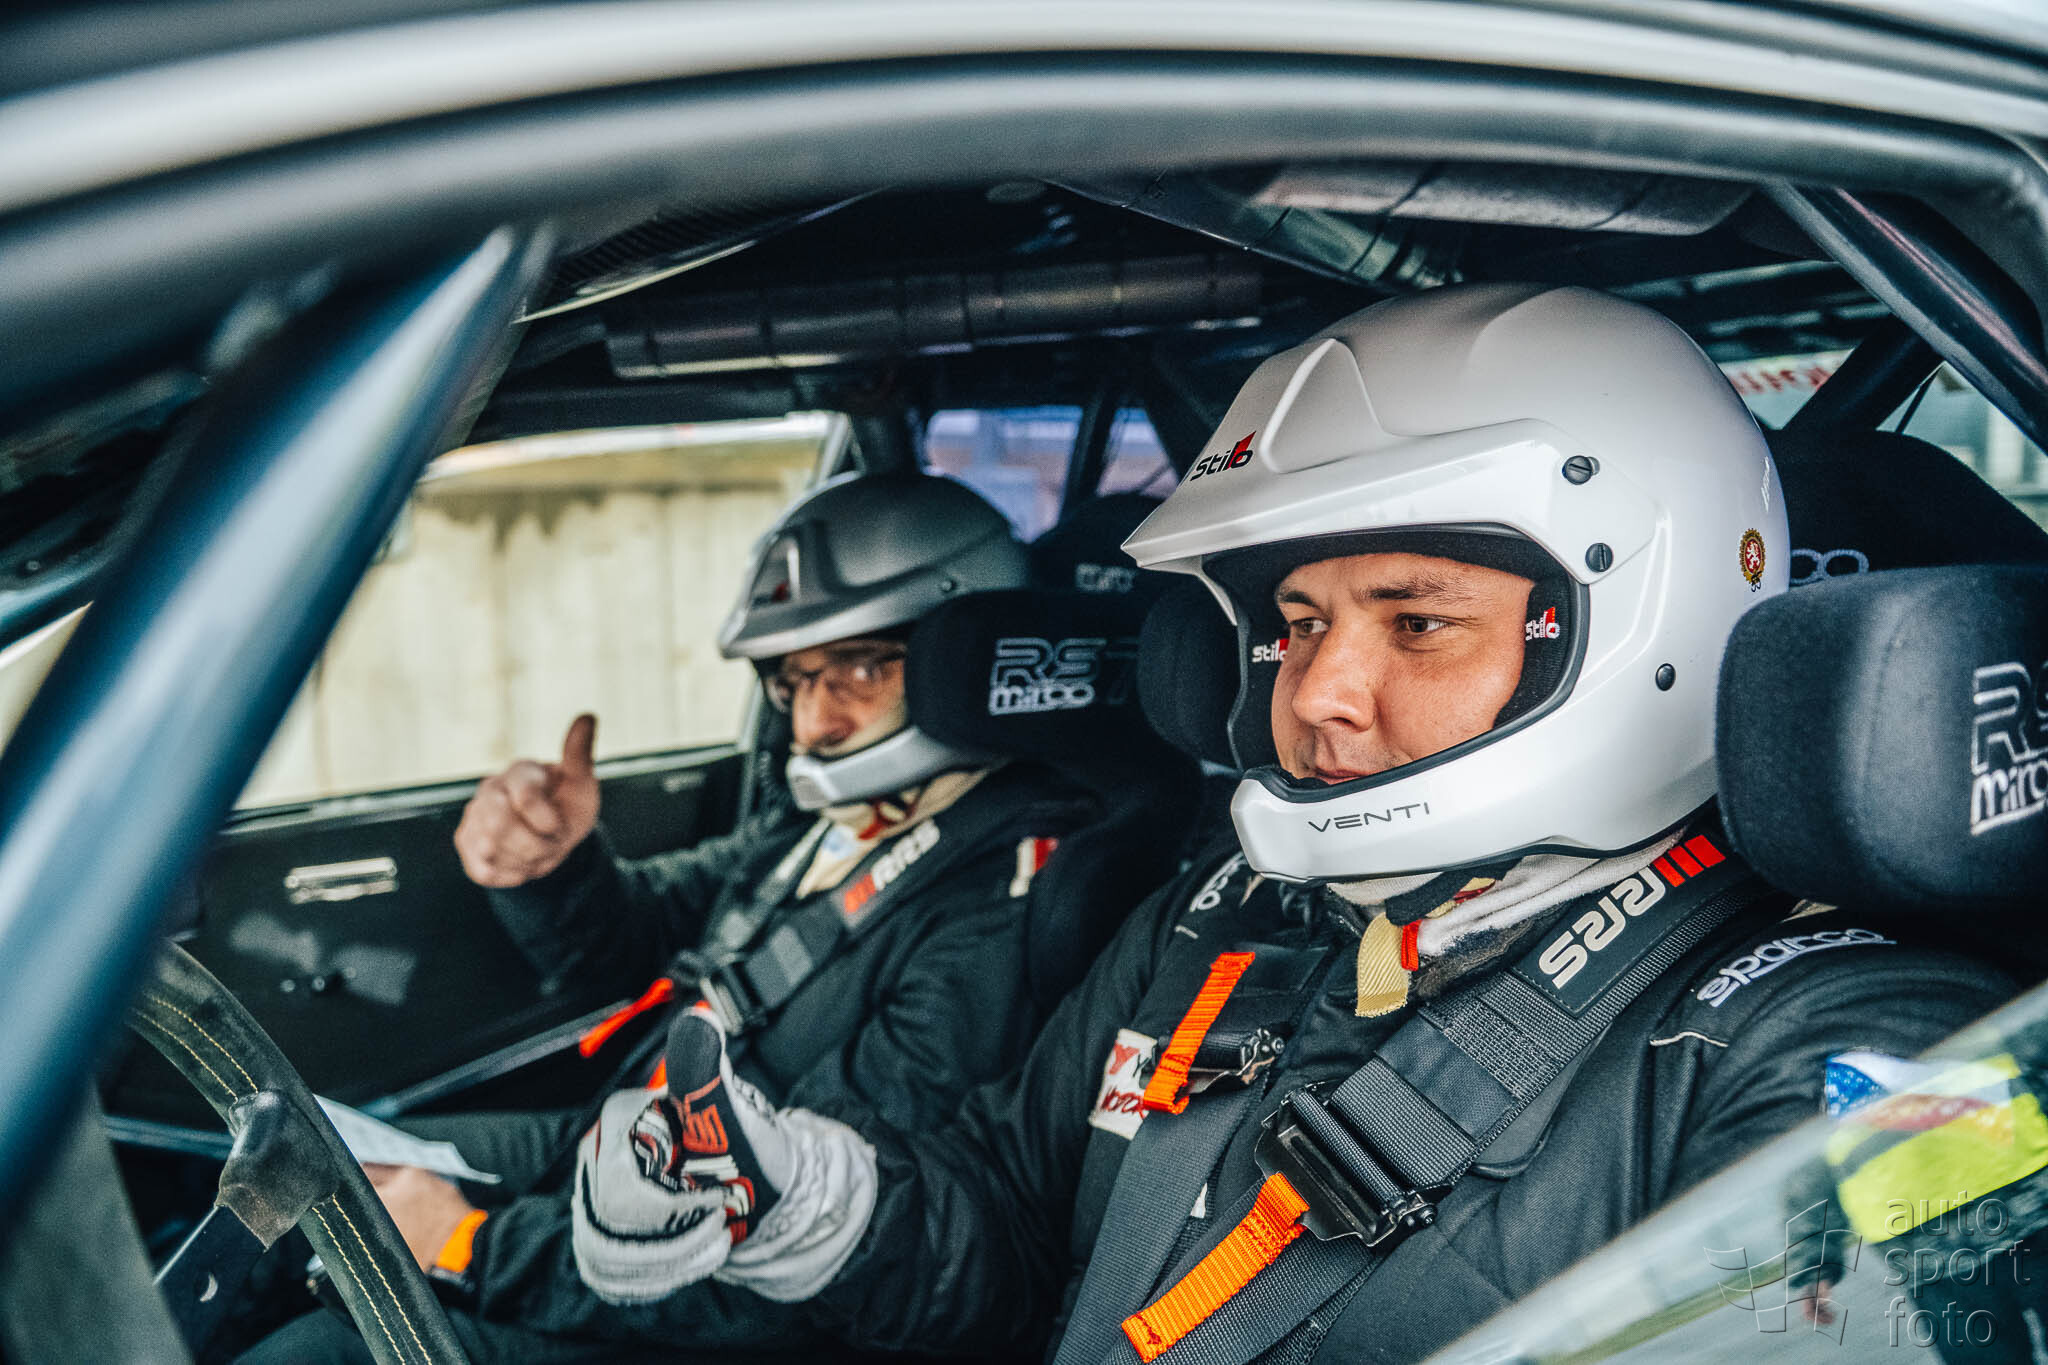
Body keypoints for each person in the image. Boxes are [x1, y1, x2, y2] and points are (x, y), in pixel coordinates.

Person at [565, 284, 2014, 1364]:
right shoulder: (1229, 916)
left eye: (1417, 622)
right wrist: (805, 1201)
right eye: (1300, 621)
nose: (1318, 693)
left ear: (1647, 616)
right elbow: (1012, 1222)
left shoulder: (1857, 1040)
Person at [240, 471, 1097, 1363]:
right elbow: (653, 934)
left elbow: (792, 1239)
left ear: (974, 661)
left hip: (717, 1287)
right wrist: (558, 867)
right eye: (796, 679)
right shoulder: (823, 825)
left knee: (316, 1354)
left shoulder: (999, 908)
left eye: (860, 668)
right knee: (306, 1172)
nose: (816, 719)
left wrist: (471, 1246)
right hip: (627, 1136)